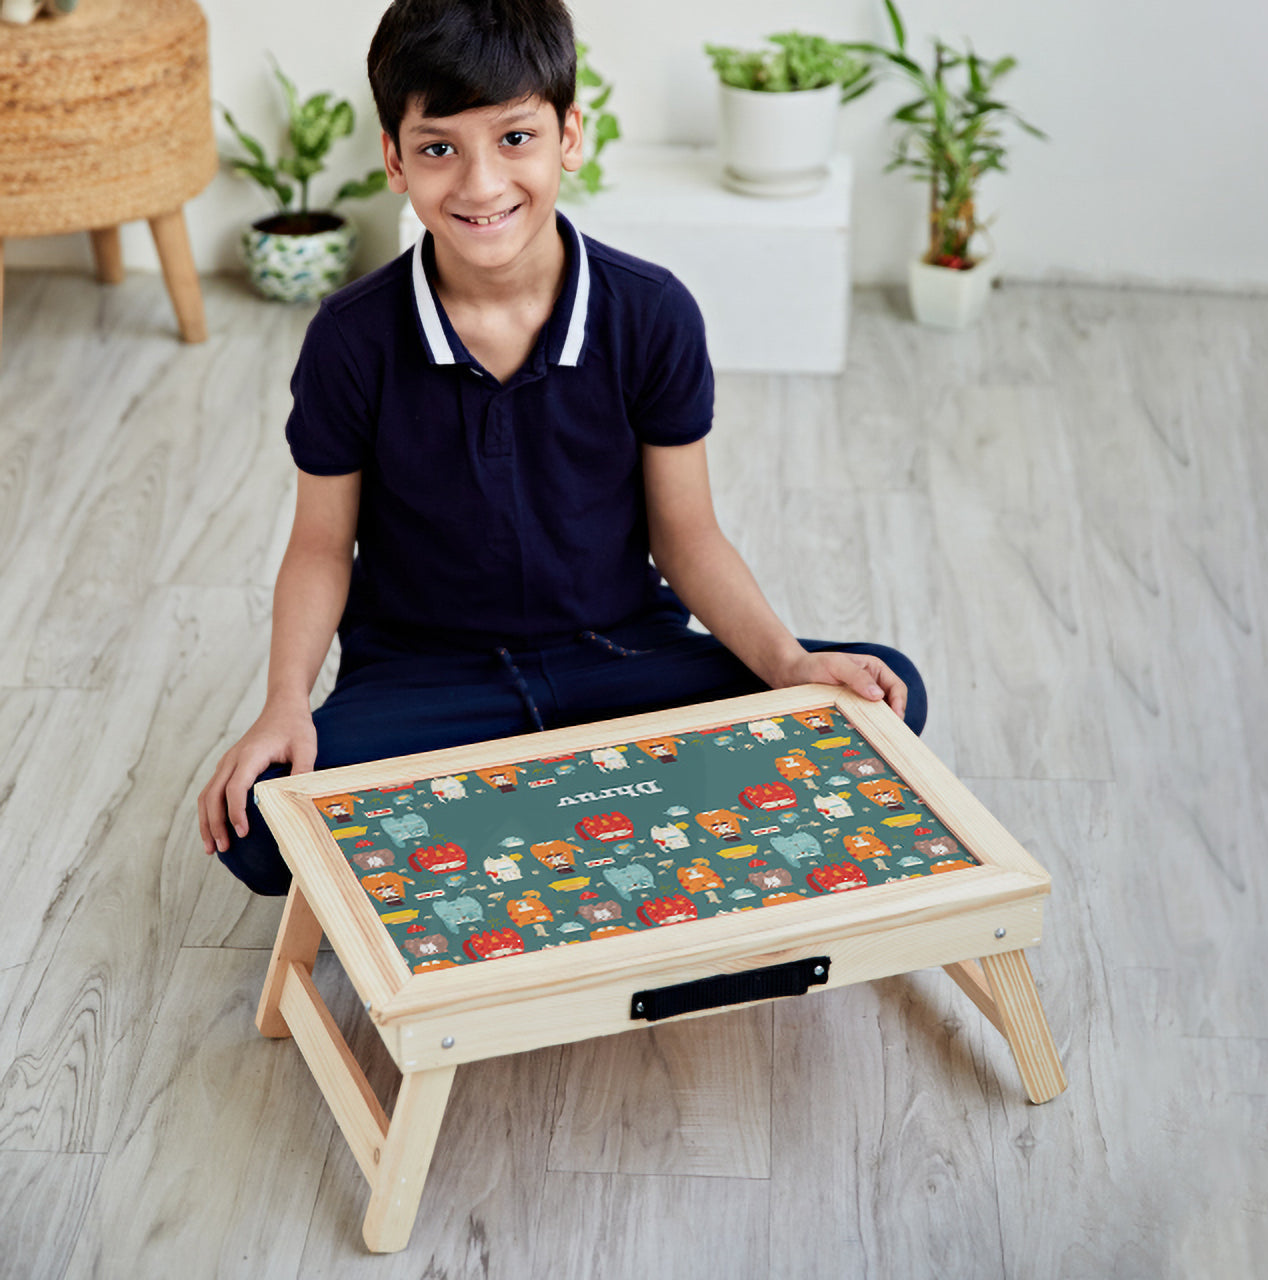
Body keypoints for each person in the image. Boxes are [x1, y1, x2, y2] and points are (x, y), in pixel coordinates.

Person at [197, 0, 927, 895]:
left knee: (878, 694)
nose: (478, 184)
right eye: (438, 148)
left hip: (620, 659)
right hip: (430, 682)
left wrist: (786, 665)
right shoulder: (351, 338)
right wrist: (282, 704)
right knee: (260, 819)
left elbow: (687, 535)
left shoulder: (651, 312)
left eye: (514, 138)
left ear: (568, 135)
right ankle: (602, 821)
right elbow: (319, 546)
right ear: (393, 158)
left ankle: (511, 832)